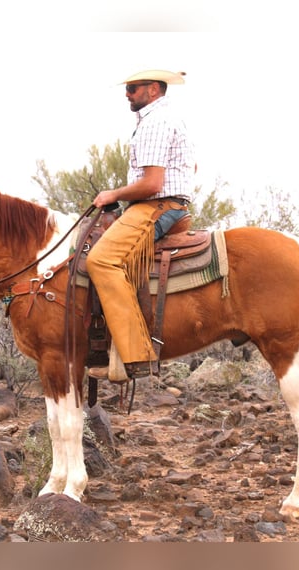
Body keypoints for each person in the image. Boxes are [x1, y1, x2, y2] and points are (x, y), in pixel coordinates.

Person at [87, 69, 196, 379]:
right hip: (165, 203)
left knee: (102, 260)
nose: (127, 94)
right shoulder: (168, 119)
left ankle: (135, 355)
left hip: (156, 205)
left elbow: (152, 183)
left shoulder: (155, 123)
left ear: (152, 89)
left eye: (132, 88)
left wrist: (113, 194)